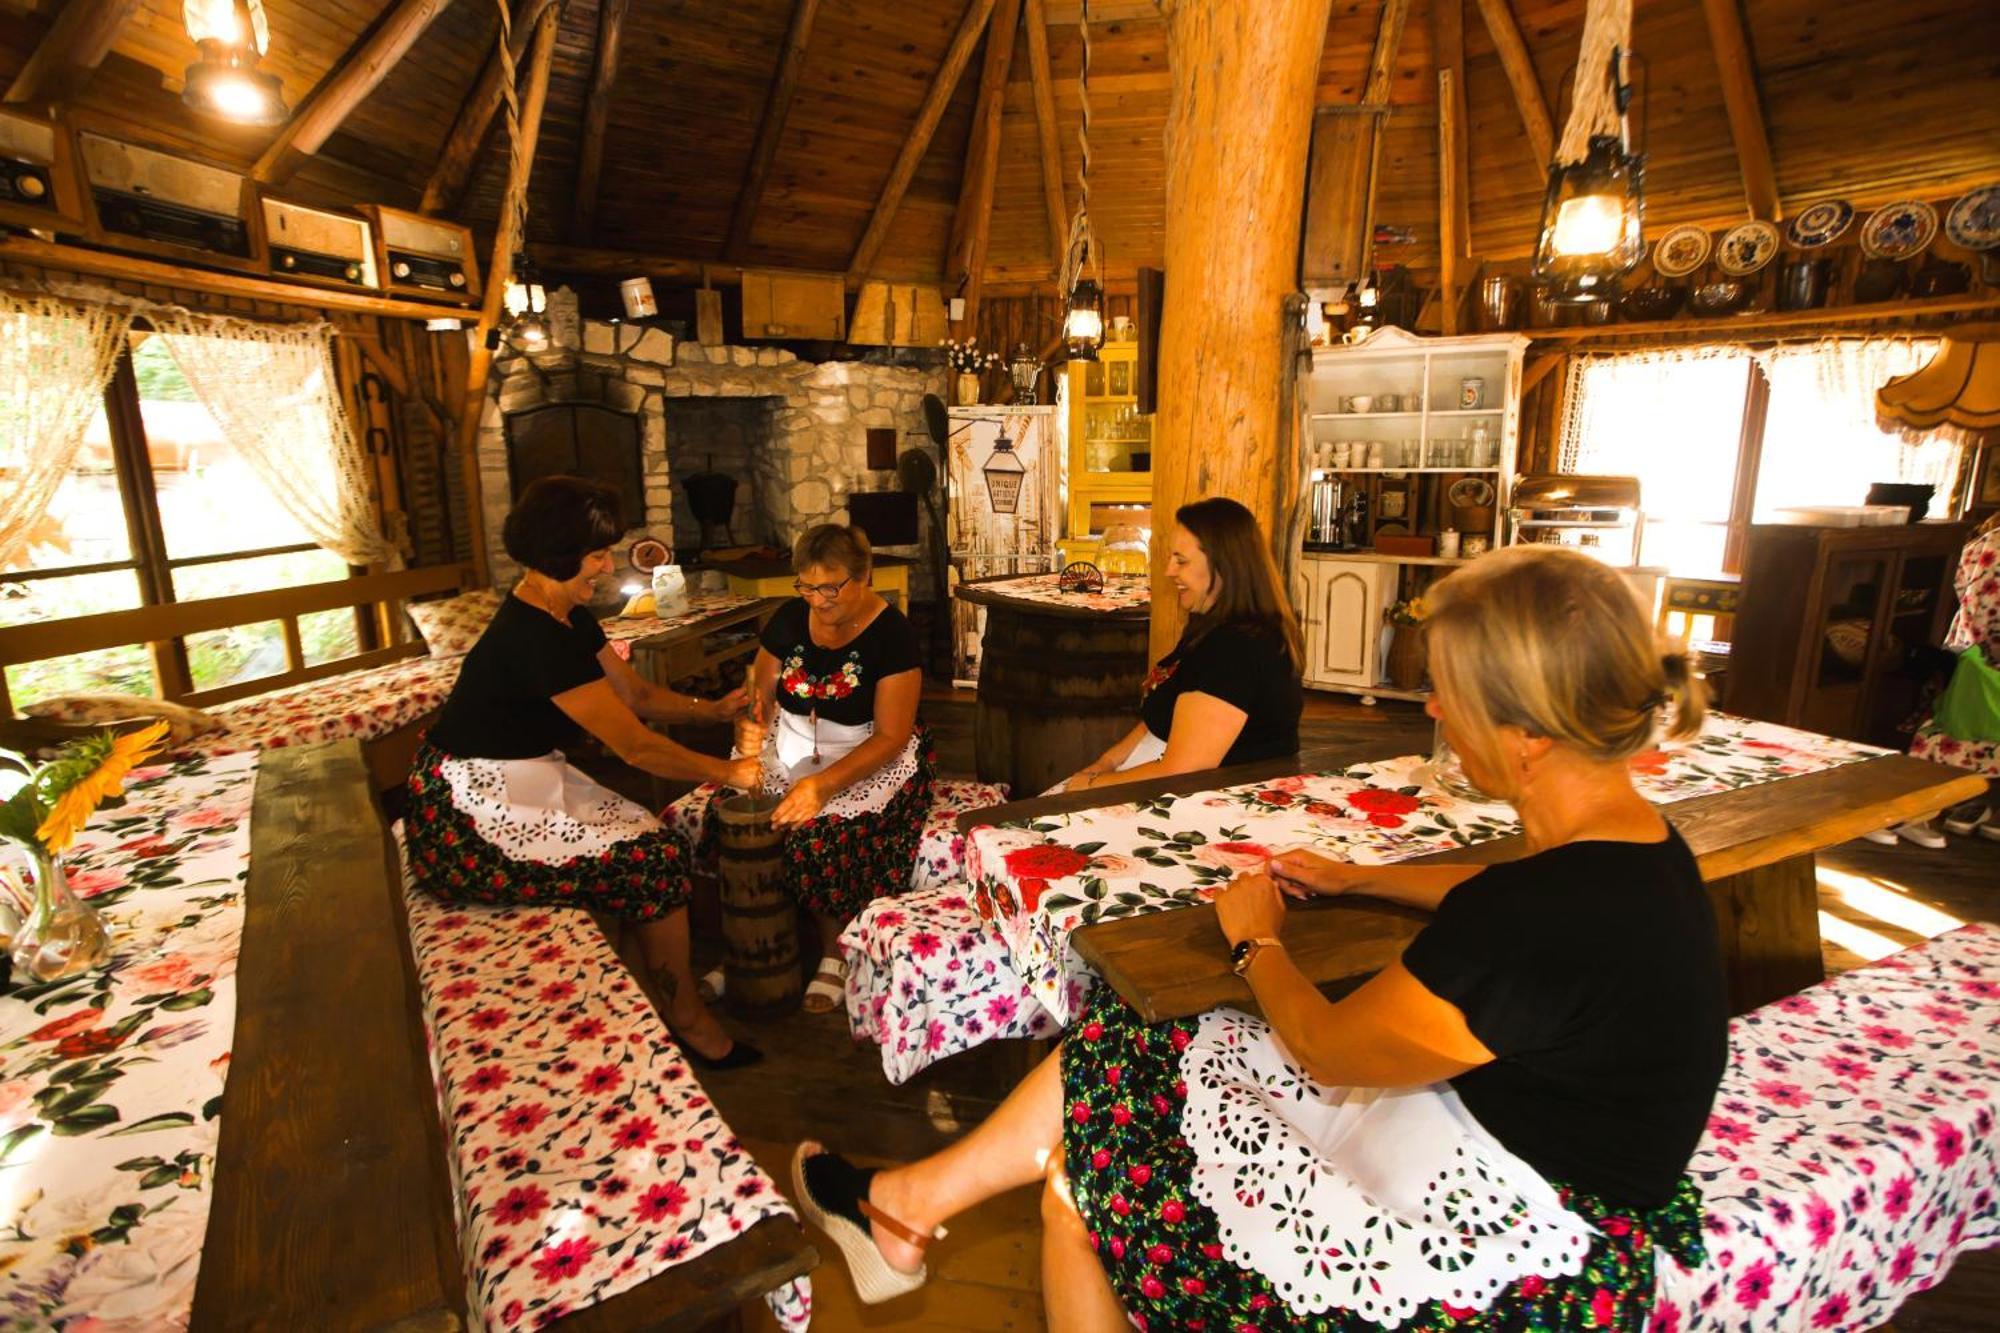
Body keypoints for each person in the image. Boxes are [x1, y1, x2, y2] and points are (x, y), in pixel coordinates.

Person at [792, 545, 1726, 1330]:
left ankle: (904, 1212)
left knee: (1078, 1175)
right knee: (1135, 1037)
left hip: (1515, 1257)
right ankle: (901, 1210)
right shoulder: (1634, 846)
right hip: (1547, 1161)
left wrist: (1255, 943)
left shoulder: (1531, 923)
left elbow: (1326, 1047)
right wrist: (1366, 877)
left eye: (1447, 694)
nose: (1434, 711)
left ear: (1525, 733)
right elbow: (1508, 885)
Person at [404, 476, 762, 1068]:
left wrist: (714, 708)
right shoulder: (534, 636)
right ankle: (686, 1020)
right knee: (652, 860)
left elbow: (637, 696)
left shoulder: (568, 614)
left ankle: (642, 1000)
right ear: (559, 553)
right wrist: (731, 773)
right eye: (596, 553)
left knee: (648, 843)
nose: (605, 563)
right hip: (471, 807)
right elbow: (636, 748)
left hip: (523, 775)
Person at [694, 523, 931, 1014]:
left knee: (818, 834)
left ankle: (833, 949)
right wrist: (753, 728)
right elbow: (761, 691)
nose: (819, 600)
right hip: (792, 747)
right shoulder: (787, 619)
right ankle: (754, 942)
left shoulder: (893, 636)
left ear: (864, 576)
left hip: (864, 755)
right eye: (807, 585)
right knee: (731, 814)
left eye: (831, 586)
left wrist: (821, 786)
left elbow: (892, 736)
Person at [1060, 496, 1303, 792]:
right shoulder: (1210, 625)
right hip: (1169, 778)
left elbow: (1182, 771)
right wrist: (1105, 764)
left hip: (1212, 799)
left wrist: (1091, 787)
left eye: (1182, 561)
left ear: (1224, 566)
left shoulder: (1238, 648)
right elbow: (1158, 715)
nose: (1169, 571)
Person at [1901, 511, 2000, 842]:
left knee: (1959, 714)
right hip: (1983, 656)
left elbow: (1970, 601)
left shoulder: (1983, 546)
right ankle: (1977, 804)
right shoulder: (1990, 546)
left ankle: (1964, 802)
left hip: (1973, 652)